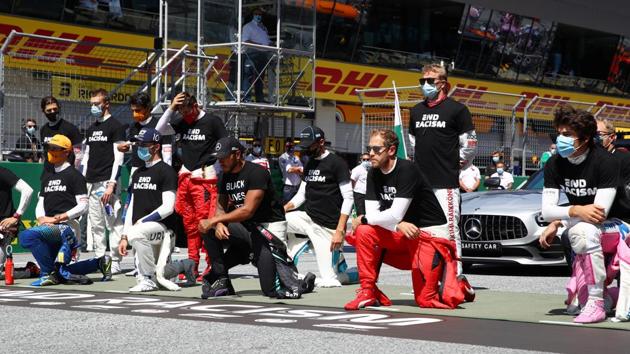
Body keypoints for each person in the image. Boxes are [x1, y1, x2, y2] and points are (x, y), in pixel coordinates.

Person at [345, 129, 471, 310]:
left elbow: (393, 214)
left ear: (391, 150)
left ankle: (460, 285)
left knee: (426, 301)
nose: (370, 153)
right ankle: (368, 290)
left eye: (376, 149)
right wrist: (396, 225)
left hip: (428, 234)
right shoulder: (373, 172)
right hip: (403, 234)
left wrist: (379, 221)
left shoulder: (407, 169)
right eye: (369, 148)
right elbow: (375, 215)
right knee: (365, 232)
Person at [198, 137, 315, 298]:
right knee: (208, 228)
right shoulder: (225, 176)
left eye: (224, 157)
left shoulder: (257, 173)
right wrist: (218, 223)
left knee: (271, 290)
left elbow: (248, 211)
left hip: (268, 230)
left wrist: (216, 220)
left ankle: (301, 283)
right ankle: (223, 281)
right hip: (247, 229)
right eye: (218, 158)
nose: (220, 162)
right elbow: (220, 205)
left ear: (237, 154)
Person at [538, 106, 622, 323]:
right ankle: (610, 296)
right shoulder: (554, 163)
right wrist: (571, 212)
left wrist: (563, 217)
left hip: (621, 226)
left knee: (583, 231)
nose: (560, 139)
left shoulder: (606, 161)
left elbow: (598, 215)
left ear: (585, 139)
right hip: (585, 224)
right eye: (558, 133)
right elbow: (547, 211)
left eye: (567, 135)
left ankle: (596, 303)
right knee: (576, 306)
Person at [408, 63, 477, 274]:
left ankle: (454, 277)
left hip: (446, 182)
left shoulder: (457, 109)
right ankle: (426, 275)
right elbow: (413, 142)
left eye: (430, 81)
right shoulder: (416, 110)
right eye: (422, 81)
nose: (425, 85)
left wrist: (456, 163)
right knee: (422, 231)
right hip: (421, 184)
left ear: (443, 84)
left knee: (449, 231)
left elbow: (470, 144)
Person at [18, 134, 112, 286]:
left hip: (67, 227)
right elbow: (40, 202)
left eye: (55, 148)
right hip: (48, 226)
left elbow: (83, 206)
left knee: (26, 236)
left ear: (67, 152)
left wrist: (57, 219)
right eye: (49, 148)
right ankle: (99, 263)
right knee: (61, 270)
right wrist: (42, 219)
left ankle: (48, 274)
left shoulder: (75, 176)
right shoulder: (47, 176)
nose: (51, 151)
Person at [154, 91, 228, 278]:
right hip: (186, 178)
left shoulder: (212, 121)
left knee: (205, 223)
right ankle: (192, 264)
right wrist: (171, 108)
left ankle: (212, 265)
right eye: (182, 113)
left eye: (188, 112)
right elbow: (159, 130)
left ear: (195, 106)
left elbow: (225, 144)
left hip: (205, 179)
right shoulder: (181, 121)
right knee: (189, 225)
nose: (186, 116)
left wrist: (214, 167)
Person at [117, 128, 193, 292]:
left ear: (156, 147)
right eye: (138, 144)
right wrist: (124, 235)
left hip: (163, 228)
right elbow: (131, 206)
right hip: (142, 228)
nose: (139, 147)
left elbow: (168, 207)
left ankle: (147, 281)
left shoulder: (167, 171)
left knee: (138, 237)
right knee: (160, 272)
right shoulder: (137, 173)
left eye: (144, 144)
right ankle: (185, 265)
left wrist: (142, 222)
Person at [284, 126, 355, 287]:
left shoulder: (337, 163)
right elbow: (301, 195)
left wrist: (340, 230)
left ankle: (354, 274)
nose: (305, 150)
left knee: (330, 280)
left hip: (327, 226)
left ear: (321, 142)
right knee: (277, 221)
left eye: (309, 146)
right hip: (308, 218)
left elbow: (349, 198)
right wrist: (284, 208)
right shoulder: (309, 164)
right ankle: (285, 264)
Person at [82, 88, 127, 274]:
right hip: (91, 183)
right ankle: (100, 259)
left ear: (106, 104)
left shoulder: (116, 126)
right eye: (91, 104)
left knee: (113, 222)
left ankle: (116, 260)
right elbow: (86, 156)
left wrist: (111, 183)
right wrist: (82, 179)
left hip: (107, 183)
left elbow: (119, 158)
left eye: (96, 104)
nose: (93, 107)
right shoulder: (91, 128)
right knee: (97, 223)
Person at [117, 92, 173, 175]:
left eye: (138, 110)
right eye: (133, 111)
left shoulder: (160, 125)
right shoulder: (133, 126)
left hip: (155, 170)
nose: (135, 114)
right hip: (136, 169)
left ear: (147, 108)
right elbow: (135, 147)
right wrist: (124, 148)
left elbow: (167, 153)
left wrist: (166, 173)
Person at [0, 166, 35, 279]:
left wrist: (16, 216)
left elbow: (27, 190)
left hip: (3, 226)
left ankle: (30, 271)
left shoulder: (2, 172)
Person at [39, 96, 83, 177]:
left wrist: (74, 173)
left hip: (65, 174)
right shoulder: (43, 129)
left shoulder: (70, 128)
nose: (53, 112)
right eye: (49, 110)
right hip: (48, 173)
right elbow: (45, 153)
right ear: (43, 111)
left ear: (59, 108)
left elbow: (79, 154)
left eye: (55, 109)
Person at [242, 7, 272, 103]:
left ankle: (260, 98)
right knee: (249, 76)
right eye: (256, 14)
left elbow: (266, 41)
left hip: (263, 54)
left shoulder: (263, 28)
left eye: (260, 15)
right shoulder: (248, 26)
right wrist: (259, 45)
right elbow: (245, 40)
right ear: (252, 15)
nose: (258, 16)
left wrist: (271, 44)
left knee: (260, 78)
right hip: (252, 54)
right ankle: (246, 98)